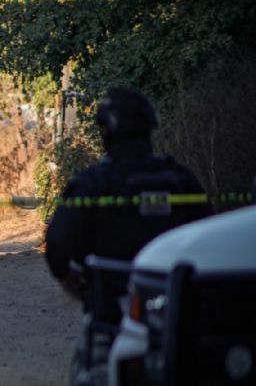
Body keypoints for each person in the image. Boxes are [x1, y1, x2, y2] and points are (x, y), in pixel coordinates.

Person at [45, 87, 212, 385]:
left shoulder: (92, 182)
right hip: (174, 317)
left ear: (106, 130)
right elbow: (209, 237)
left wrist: (68, 277)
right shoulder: (180, 179)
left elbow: (58, 242)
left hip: (108, 315)